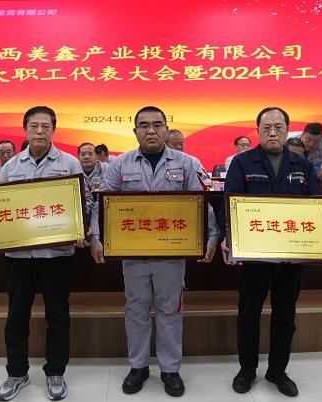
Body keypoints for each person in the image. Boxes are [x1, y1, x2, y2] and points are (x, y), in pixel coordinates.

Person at [89, 106, 220, 397]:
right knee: (136, 309)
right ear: (135, 131)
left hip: (171, 253)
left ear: (166, 129)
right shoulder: (120, 165)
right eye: (144, 125)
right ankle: (138, 366)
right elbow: (102, 204)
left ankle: (170, 369)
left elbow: (201, 202)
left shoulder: (186, 163)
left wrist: (212, 236)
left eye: (157, 125)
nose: (151, 130)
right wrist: (96, 237)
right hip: (133, 253)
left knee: (169, 310)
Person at [221, 107, 322, 398]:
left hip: (291, 255)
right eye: (266, 127)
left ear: (288, 130)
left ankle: (278, 371)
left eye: (278, 127)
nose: (272, 133)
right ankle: (247, 369)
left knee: (285, 314)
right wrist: (228, 236)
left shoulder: (301, 164)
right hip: (254, 255)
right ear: (258, 130)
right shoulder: (243, 162)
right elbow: (228, 202)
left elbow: (321, 203)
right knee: (248, 313)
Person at [0, 106, 92, 402]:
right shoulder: (11, 166)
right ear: (25, 130)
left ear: (54, 129)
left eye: (45, 126)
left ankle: (55, 372)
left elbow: (86, 199)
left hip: (57, 254)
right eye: (34, 126)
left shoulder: (69, 163)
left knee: (58, 316)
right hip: (20, 256)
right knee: (16, 316)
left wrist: (83, 226)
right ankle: (17, 373)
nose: (40, 131)